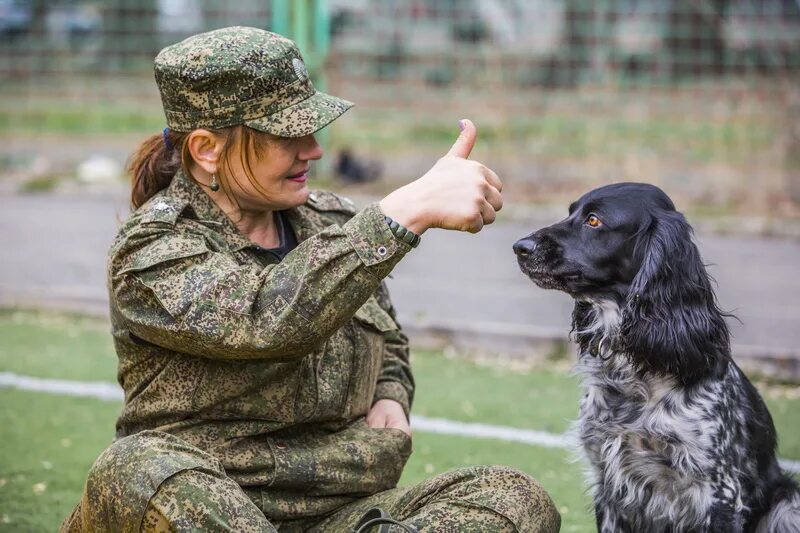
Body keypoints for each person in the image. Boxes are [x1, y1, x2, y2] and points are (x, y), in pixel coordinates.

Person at [60, 26, 560, 533]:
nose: (314, 150)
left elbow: (384, 335)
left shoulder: (332, 222)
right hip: (211, 507)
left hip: (338, 510)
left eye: (312, 129)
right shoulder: (150, 249)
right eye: (287, 135)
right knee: (137, 468)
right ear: (207, 149)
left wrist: (391, 391)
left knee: (512, 498)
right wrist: (402, 212)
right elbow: (266, 319)